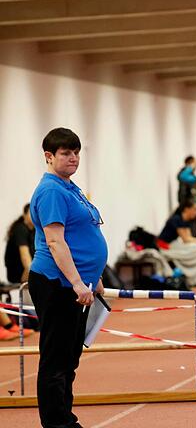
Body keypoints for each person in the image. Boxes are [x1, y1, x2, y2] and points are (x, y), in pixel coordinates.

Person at [28, 127, 108, 428]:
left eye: (76, 152)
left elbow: (84, 233)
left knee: (68, 360)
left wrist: (93, 276)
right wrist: (76, 282)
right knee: (55, 361)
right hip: (57, 283)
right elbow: (55, 241)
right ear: (49, 157)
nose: (73, 158)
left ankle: (65, 418)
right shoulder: (51, 191)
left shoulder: (69, 186)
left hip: (76, 283)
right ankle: (57, 423)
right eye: (65, 153)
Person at [156, 200, 196, 288]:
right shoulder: (176, 219)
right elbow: (186, 239)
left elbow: (190, 239)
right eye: (195, 209)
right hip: (165, 246)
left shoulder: (186, 220)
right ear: (186, 209)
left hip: (173, 245)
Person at [2, 203, 36, 341]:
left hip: (28, 269)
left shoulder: (34, 231)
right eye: (31, 214)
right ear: (25, 215)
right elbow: (25, 257)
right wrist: (32, 273)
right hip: (17, 272)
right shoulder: (20, 229)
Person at [176, 155, 196, 237]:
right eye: (193, 164)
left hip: (195, 208)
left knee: (194, 234)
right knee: (188, 234)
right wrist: (193, 165)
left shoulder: (193, 177)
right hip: (187, 208)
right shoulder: (183, 174)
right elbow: (182, 176)